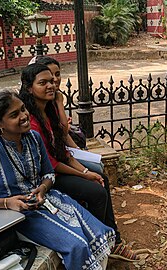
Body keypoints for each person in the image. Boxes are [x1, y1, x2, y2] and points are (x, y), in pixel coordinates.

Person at [0, 90, 115, 269]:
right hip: (17, 217)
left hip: (47, 201)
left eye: (23, 109)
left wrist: (43, 188)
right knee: (77, 245)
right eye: (14, 114)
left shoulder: (33, 137)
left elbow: (49, 174)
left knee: (99, 231)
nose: (24, 116)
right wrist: (7, 203)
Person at [18, 63, 140, 261]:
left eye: (52, 80)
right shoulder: (31, 121)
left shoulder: (47, 110)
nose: (51, 85)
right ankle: (100, 243)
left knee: (100, 178)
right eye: (43, 82)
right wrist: (83, 174)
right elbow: (51, 164)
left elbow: (63, 150)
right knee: (96, 192)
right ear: (29, 88)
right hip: (46, 177)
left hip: (58, 166)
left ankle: (112, 239)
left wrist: (85, 170)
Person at [35, 56, 103, 173]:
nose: (55, 80)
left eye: (57, 74)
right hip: (53, 160)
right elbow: (63, 131)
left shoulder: (55, 99)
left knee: (99, 166)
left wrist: (80, 151)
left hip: (64, 151)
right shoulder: (42, 104)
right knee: (96, 170)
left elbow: (64, 132)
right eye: (50, 77)